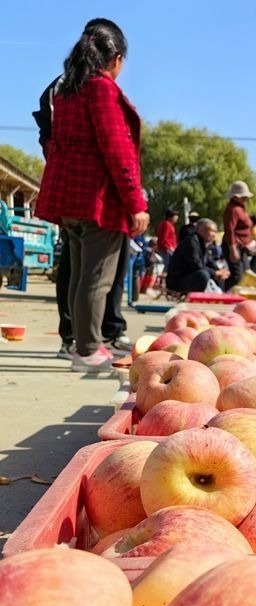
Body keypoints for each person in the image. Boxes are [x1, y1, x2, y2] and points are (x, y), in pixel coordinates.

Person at [35, 19, 149, 372]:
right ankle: (88, 350)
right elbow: (117, 151)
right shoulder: (101, 89)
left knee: (80, 274)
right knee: (96, 279)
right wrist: (136, 204)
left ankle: (78, 345)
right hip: (98, 201)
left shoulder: (68, 90)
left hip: (70, 199)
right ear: (115, 58)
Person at [165, 218, 230, 293]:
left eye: (215, 231)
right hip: (178, 281)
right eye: (211, 231)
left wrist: (220, 271)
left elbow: (209, 262)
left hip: (190, 277)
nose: (214, 234)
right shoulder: (191, 242)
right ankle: (196, 299)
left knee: (220, 275)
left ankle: (220, 298)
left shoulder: (205, 244)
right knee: (203, 275)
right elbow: (196, 265)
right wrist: (215, 273)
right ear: (201, 230)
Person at [222, 180, 255, 290]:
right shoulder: (233, 210)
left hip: (242, 247)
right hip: (235, 246)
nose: (246, 199)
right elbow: (229, 229)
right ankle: (229, 298)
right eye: (243, 196)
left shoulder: (240, 208)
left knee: (245, 275)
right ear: (236, 197)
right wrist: (232, 249)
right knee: (237, 277)